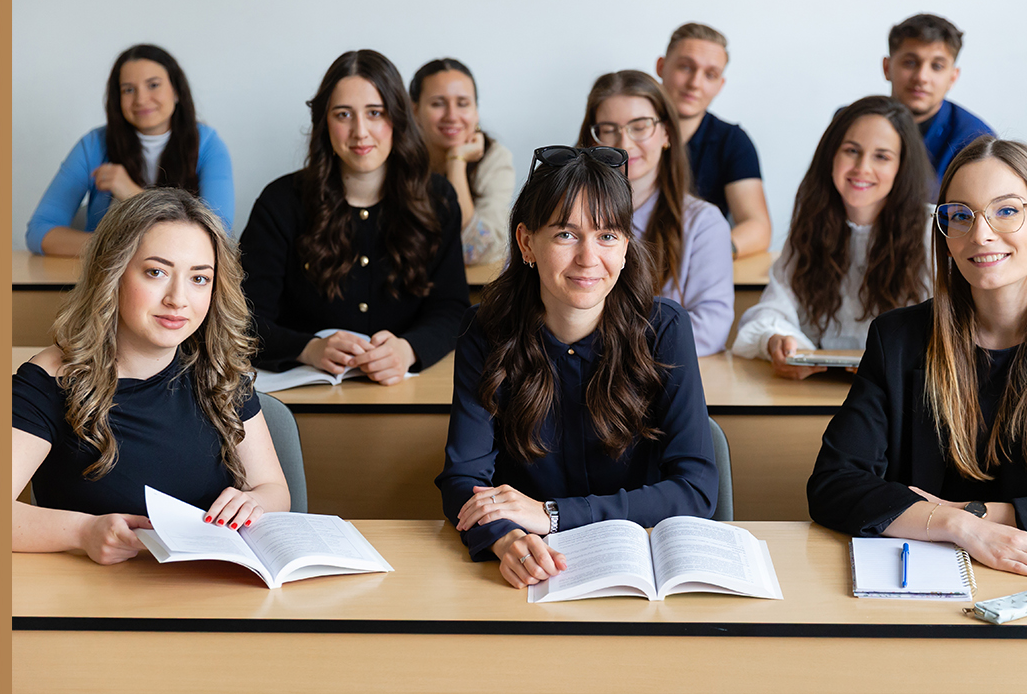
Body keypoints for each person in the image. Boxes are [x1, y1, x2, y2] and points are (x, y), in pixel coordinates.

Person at [807, 137, 1027, 579]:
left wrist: (976, 514)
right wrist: (958, 526)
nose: (981, 234)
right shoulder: (897, 337)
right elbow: (833, 485)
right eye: (960, 216)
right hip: (917, 592)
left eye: (1006, 210)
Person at [436, 145, 718, 588]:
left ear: (626, 247)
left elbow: (696, 489)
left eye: (607, 236)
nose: (589, 258)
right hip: (531, 568)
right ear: (527, 242)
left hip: (634, 567)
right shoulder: (485, 328)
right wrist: (504, 537)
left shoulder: (664, 327)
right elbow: (464, 478)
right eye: (566, 235)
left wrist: (552, 515)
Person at [11, 189, 290, 565]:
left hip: (209, 591)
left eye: (199, 278)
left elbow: (274, 490)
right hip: (92, 598)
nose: (178, 298)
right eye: (156, 272)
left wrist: (253, 501)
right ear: (113, 274)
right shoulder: (52, 379)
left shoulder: (220, 371)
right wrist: (83, 532)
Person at [240, 50, 470, 379]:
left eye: (375, 113)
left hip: (403, 391)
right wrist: (308, 348)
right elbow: (245, 318)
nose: (360, 132)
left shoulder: (438, 198)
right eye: (344, 114)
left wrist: (409, 349)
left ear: (398, 119)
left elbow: (452, 307)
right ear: (324, 123)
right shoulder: (280, 202)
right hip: (305, 394)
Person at [732, 96, 934, 379]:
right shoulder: (811, 227)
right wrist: (776, 341)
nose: (862, 167)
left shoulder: (932, 232)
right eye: (852, 150)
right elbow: (773, 311)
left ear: (902, 167)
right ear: (831, 155)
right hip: (819, 391)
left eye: (882, 156)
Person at [578, 70, 734, 356]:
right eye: (608, 129)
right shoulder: (556, 215)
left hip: (657, 383)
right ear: (592, 138)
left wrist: (599, 348)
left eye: (640, 126)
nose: (623, 143)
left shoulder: (703, 223)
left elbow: (710, 329)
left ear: (666, 133)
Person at [25, 44, 234, 257]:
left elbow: (218, 234)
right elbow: (40, 231)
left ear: (177, 91)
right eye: (128, 90)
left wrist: (132, 194)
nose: (141, 99)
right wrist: (119, 250)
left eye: (153, 85)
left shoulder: (208, 145)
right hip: (107, 281)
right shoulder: (93, 145)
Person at [655, 22, 770, 257]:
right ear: (661, 66)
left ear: (720, 85)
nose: (695, 83)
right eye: (686, 67)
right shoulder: (621, 127)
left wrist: (700, 255)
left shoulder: (732, 142)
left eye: (710, 75)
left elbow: (758, 227)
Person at [410, 58, 517, 266]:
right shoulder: (396, 156)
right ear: (415, 111)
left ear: (476, 111)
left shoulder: (495, 159)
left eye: (463, 103)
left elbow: (476, 250)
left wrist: (456, 161)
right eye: (437, 104)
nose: (452, 116)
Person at [882, 14, 994, 182]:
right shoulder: (851, 124)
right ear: (887, 68)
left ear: (952, 78)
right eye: (910, 63)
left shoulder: (976, 141)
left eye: (937, 66)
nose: (922, 77)